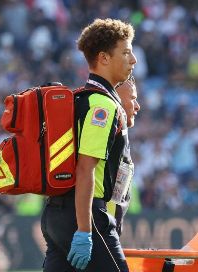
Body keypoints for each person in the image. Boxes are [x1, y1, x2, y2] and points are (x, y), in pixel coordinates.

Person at [40, 18, 138, 272]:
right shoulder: (102, 106)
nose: (133, 60)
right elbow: (86, 169)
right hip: (84, 215)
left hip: (54, 214)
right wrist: (85, 231)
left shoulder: (77, 99)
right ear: (104, 58)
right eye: (126, 52)